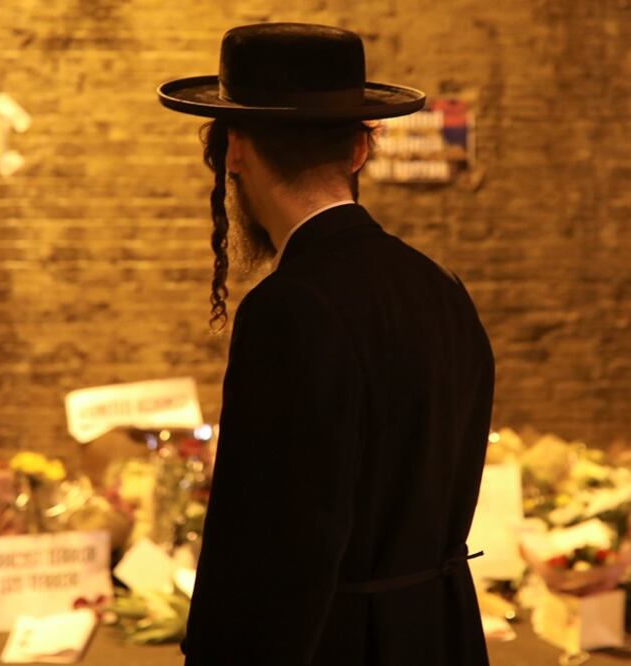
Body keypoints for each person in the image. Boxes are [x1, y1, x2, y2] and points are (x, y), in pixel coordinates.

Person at [157, 23, 494, 665]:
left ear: (232, 150)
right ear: (360, 150)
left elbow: (269, 556)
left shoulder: (290, 309)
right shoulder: (442, 290)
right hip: (443, 636)